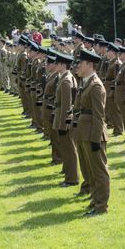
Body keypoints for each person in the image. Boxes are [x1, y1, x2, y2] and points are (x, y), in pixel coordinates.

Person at [72, 49, 110, 216]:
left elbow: (99, 115)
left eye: (80, 63)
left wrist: (96, 139)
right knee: (90, 171)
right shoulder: (86, 82)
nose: (76, 66)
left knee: (99, 171)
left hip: (93, 134)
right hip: (84, 132)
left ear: (89, 64)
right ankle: (95, 200)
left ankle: (101, 206)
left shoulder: (95, 85)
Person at [52, 52, 79, 188]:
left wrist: (64, 123)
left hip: (64, 119)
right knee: (66, 148)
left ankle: (72, 178)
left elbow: (67, 104)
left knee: (69, 149)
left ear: (63, 64)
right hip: (61, 116)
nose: (55, 65)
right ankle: (68, 173)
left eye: (57, 63)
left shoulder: (66, 80)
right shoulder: (65, 77)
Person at [104, 43, 123, 136]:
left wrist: (112, 91)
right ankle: (116, 128)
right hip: (108, 89)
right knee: (112, 110)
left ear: (113, 52)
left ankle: (119, 129)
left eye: (108, 51)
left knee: (116, 110)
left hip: (112, 90)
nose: (107, 53)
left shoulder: (116, 63)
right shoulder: (111, 61)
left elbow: (116, 79)